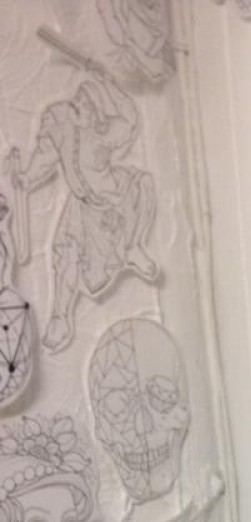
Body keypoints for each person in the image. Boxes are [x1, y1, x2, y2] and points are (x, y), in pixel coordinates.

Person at [16, 69, 157, 351]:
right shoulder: (62, 127)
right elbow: (45, 156)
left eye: (86, 103)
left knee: (144, 185)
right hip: (81, 207)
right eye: (77, 99)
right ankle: (60, 317)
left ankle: (133, 248)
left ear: (98, 113)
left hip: (113, 201)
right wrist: (27, 177)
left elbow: (131, 119)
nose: (77, 105)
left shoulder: (106, 133)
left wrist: (110, 84)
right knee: (66, 254)